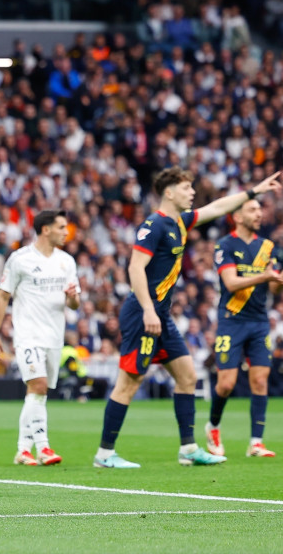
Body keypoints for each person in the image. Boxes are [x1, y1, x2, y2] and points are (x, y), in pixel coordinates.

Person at [93, 167, 281, 468]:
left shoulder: (180, 221)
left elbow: (217, 207)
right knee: (129, 382)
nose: (192, 192)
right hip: (144, 313)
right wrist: (148, 309)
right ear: (169, 192)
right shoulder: (153, 225)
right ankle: (104, 454)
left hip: (161, 315)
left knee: (187, 377)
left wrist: (253, 192)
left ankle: (189, 449)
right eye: (186, 188)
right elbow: (134, 268)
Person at [0, 210, 81, 466]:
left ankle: (22, 450)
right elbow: (2, 297)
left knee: (37, 392)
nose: (66, 232)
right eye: (62, 227)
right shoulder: (20, 259)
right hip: (28, 334)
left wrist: (73, 296)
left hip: (54, 335)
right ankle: (44, 448)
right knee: (38, 385)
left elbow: (74, 304)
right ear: (45, 229)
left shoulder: (67, 261)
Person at [205, 198, 283, 458]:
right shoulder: (225, 246)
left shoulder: (267, 246)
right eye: (252, 209)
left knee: (260, 380)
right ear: (237, 217)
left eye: (260, 209)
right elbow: (230, 283)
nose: (259, 213)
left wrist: (279, 280)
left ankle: (256, 443)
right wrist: (265, 275)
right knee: (226, 384)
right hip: (232, 320)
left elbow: (272, 287)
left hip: (259, 321)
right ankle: (213, 426)